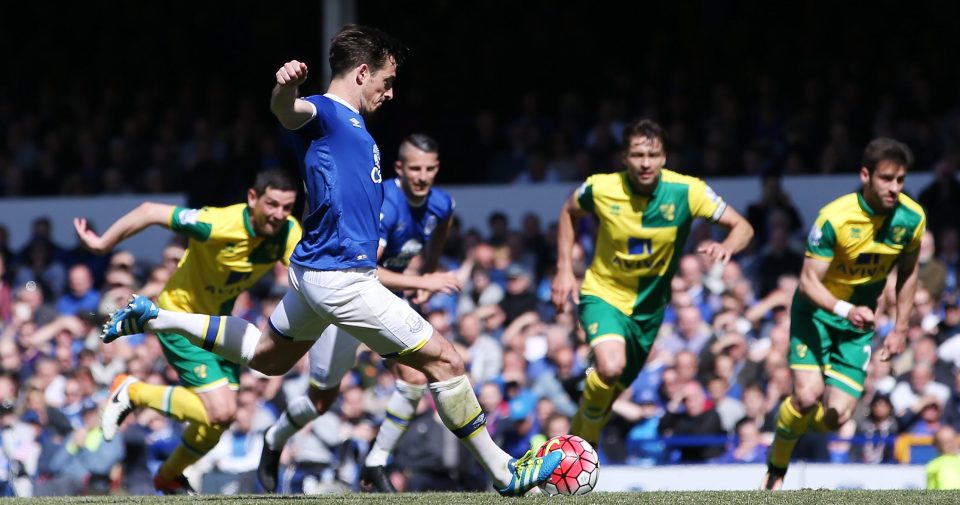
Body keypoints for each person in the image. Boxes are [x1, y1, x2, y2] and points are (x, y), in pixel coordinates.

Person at [100, 24, 561, 497]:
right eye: (386, 80)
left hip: (315, 272)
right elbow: (288, 111)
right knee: (445, 360)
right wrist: (284, 89)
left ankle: (157, 317)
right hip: (342, 277)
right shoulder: (327, 112)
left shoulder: (355, 126)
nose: (390, 91)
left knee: (267, 357)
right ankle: (505, 473)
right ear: (362, 73)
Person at [74, 168, 301, 493]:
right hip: (177, 315)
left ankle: (168, 476)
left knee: (219, 422)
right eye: (272, 204)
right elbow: (150, 211)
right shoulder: (217, 223)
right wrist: (102, 244)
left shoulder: (288, 231)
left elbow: (308, 275)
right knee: (221, 410)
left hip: (220, 326)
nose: (279, 214)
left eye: (286, 207)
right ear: (252, 198)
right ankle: (133, 391)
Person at [257, 133, 462, 493]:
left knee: (415, 378)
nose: (422, 176)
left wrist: (426, 270)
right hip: (345, 304)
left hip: (386, 304)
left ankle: (376, 461)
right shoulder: (386, 205)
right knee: (322, 399)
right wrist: (426, 280)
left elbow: (441, 225)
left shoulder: (441, 204)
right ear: (398, 168)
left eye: (429, 169)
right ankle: (274, 439)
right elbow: (367, 271)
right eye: (414, 168)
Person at [551, 118, 753, 446]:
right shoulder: (601, 188)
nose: (645, 163)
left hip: (649, 310)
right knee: (610, 368)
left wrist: (726, 246)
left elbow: (743, 227)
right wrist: (563, 269)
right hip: (604, 293)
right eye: (637, 155)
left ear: (664, 158)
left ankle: (571, 449)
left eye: (653, 155)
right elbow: (568, 211)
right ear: (624, 158)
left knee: (609, 393)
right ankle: (582, 450)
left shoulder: (689, 191)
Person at [761, 138, 925, 490]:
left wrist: (900, 329)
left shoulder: (912, 218)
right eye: (886, 179)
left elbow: (909, 273)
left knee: (838, 418)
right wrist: (845, 309)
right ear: (865, 175)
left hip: (857, 326)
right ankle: (776, 467)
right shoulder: (834, 218)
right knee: (806, 395)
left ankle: (795, 420)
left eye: (900, 180)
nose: (894, 188)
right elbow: (807, 282)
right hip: (817, 314)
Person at [928, 425, 960, 489]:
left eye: (952, 440)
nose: (951, 444)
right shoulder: (933, 466)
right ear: (938, 445)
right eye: (945, 442)